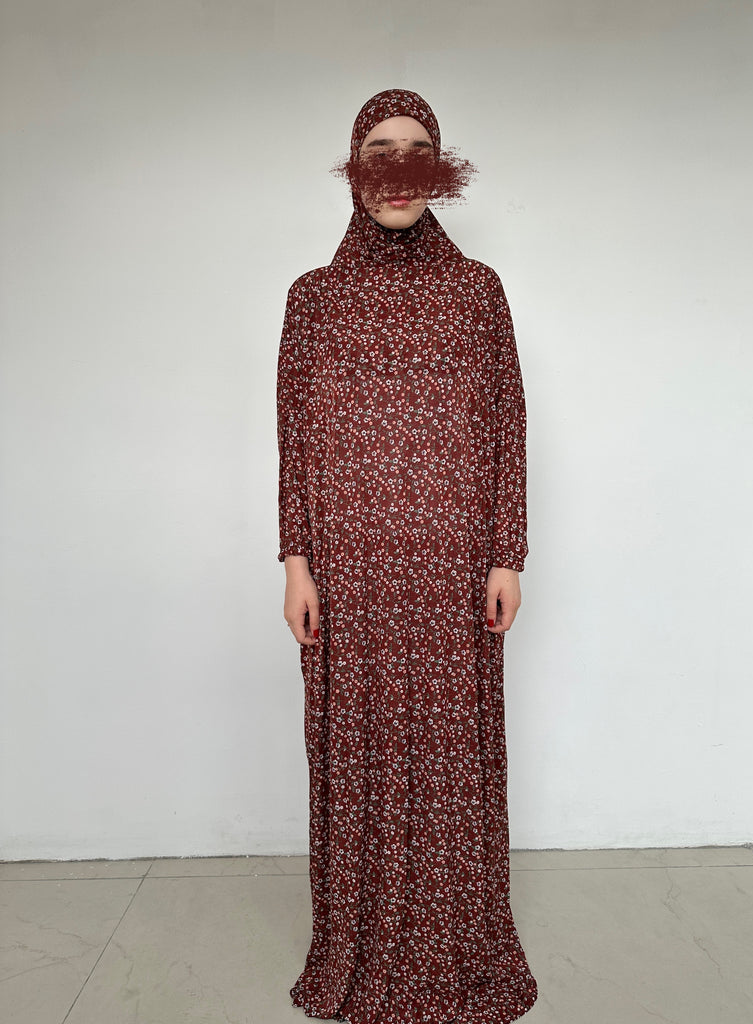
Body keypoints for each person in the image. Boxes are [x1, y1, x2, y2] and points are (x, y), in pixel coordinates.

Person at [276, 88, 538, 1024]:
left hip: (453, 570)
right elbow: (294, 439)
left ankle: (457, 947)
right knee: (356, 752)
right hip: (347, 573)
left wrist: (507, 555)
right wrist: (296, 563)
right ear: (354, 169)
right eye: (378, 150)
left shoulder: (478, 293)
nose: (398, 170)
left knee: (450, 755)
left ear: (441, 167)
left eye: (417, 149)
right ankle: (359, 946)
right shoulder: (313, 299)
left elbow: (507, 426)